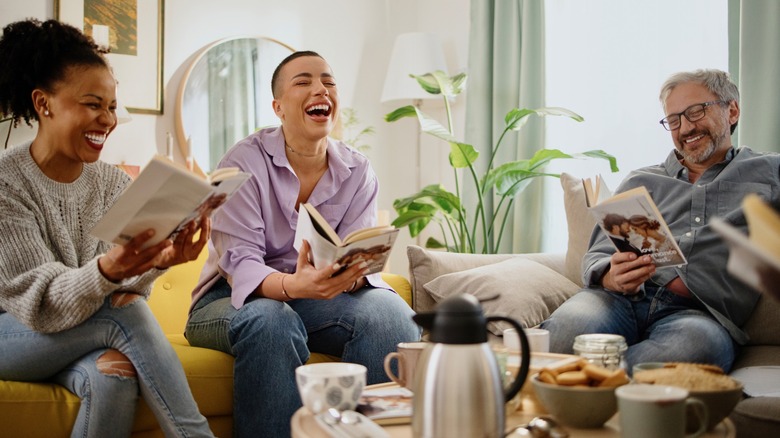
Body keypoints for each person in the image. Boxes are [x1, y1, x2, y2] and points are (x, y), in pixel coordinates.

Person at [185, 51, 421, 437]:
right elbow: (240, 263)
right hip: (229, 300)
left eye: (328, 81)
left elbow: (355, 254)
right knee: (272, 320)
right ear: (278, 107)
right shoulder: (243, 162)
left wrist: (349, 275)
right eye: (303, 81)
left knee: (390, 313)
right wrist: (293, 285)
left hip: (317, 298)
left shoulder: (357, 169)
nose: (320, 89)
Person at [0, 19, 214, 437]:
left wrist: (162, 259)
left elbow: (123, 284)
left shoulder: (113, 183)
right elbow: (38, 302)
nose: (107, 119)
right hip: (15, 334)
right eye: (93, 104)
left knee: (114, 375)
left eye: (112, 107)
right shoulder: (6, 182)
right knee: (123, 316)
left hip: (76, 333)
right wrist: (108, 272)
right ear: (44, 104)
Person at [541, 69, 780, 374]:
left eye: (696, 111)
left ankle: (593, 378)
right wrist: (611, 276)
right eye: (674, 120)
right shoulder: (642, 180)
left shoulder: (768, 171)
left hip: (699, 314)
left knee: (695, 351)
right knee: (561, 337)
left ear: (731, 110)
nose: (686, 128)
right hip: (615, 300)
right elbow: (598, 254)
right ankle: (599, 380)